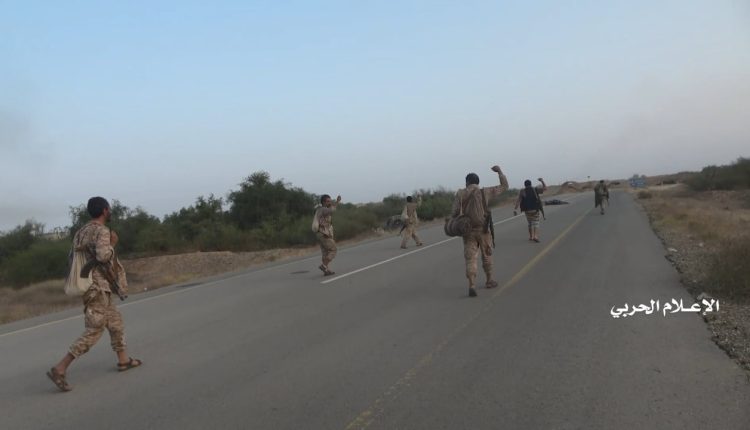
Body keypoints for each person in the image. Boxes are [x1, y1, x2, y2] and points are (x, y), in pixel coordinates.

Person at [47, 197, 141, 392]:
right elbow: (103, 256)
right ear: (105, 211)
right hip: (97, 286)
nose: (110, 211)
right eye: (109, 209)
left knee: (115, 321)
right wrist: (113, 243)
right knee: (95, 329)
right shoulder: (102, 231)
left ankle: (123, 360)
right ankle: (60, 368)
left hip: (91, 284)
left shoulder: (81, 232)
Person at [452, 165, 509, 297]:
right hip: (483, 230)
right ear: (478, 182)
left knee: (470, 258)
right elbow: (505, 186)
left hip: (467, 231)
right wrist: (499, 172)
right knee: (487, 254)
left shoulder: (460, 194)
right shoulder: (485, 192)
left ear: (466, 182)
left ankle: (472, 284)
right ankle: (489, 280)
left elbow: (454, 212)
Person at [314, 194, 341, 276]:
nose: (330, 203)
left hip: (319, 234)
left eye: (330, 201)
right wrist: (337, 202)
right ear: (323, 202)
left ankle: (326, 270)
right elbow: (332, 210)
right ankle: (324, 265)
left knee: (325, 253)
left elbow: (331, 209)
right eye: (328, 201)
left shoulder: (320, 210)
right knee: (333, 250)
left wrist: (336, 202)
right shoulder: (323, 209)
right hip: (323, 233)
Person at [514, 178, 547, 242]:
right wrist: (542, 181)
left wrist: (515, 209)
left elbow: (518, 200)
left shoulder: (522, 191)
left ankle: (531, 236)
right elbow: (545, 188)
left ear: (525, 185)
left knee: (530, 223)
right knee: (536, 223)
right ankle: (535, 236)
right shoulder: (535, 189)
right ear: (531, 184)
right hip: (535, 210)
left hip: (527, 210)